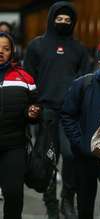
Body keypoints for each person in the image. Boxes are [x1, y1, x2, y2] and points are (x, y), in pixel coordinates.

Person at [23, 1, 91, 218]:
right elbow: (28, 78)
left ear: (73, 23)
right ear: (51, 20)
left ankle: (67, 198)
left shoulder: (79, 49)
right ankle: (50, 201)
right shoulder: (37, 46)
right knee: (47, 158)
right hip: (46, 112)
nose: (63, 22)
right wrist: (32, 105)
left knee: (71, 156)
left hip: (71, 113)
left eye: (67, 20)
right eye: (59, 19)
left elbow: (85, 81)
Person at [61, 49, 100, 219]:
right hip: (85, 155)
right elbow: (67, 115)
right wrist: (79, 142)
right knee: (85, 202)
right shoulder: (83, 84)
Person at [0, 32, 40, 219]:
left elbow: (35, 106)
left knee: (14, 194)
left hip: (14, 145)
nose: (1, 52)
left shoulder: (24, 78)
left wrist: (32, 113)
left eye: (6, 49)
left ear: (12, 52)